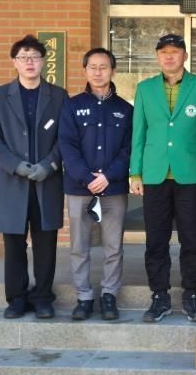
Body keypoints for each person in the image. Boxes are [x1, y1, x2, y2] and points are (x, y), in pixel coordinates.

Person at [130, 34, 196, 323]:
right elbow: (138, 134)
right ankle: (159, 295)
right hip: (155, 173)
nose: (169, 56)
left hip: (191, 173)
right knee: (155, 239)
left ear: (185, 55)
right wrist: (135, 172)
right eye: (163, 52)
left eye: (175, 51)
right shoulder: (145, 89)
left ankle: (191, 293)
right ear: (158, 56)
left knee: (191, 238)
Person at [0, 35, 67, 319]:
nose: (29, 62)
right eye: (23, 57)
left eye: (35, 57)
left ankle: (43, 297)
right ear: (14, 62)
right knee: (14, 244)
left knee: (46, 243)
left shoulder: (59, 96)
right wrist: (14, 164)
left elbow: (66, 137)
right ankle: (17, 298)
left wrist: (50, 165)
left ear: (44, 62)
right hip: (13, 183)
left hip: (47, 182)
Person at [59, 48, 133, 321]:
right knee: (79, 246)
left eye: (104, 67)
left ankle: (109, 295)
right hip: (80, 189)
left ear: (113, 70)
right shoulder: (71, 106)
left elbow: (129, 149)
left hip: (113, 189)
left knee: (114, 247)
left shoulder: (125, 109)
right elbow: (67, 146)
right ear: (85, 70)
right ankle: (84, 296)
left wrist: (108, 176)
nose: (98, 72)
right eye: (93, 67)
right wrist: (87, 178)